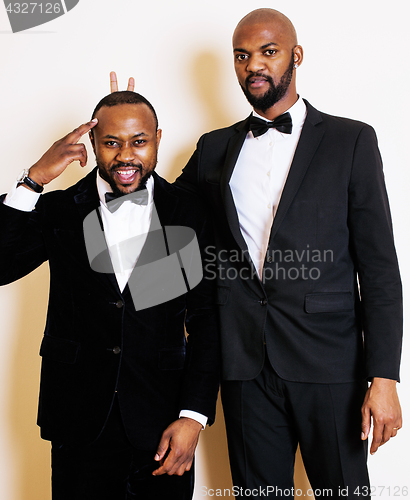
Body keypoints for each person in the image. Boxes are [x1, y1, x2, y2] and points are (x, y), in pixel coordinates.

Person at [170, 8, 402, 498]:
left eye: (268, 52)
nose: (254, 65)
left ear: (296, 56)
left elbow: (379, 268)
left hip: (332, 366)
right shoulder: (212, 149)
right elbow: (164, 223)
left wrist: (383, 377)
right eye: (242, 56)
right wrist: (128, 142)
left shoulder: (351, 140)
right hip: (244, 367)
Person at [0, 91, 219, 500]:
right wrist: (34, 180)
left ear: (157, 138)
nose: (125, 156)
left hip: (163, 421)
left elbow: (207, 319)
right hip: (78, 420)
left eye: (138, 141)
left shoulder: (189, 211)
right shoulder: (61, 209)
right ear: (94, 144)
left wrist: (193, 417)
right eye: (112, 142)